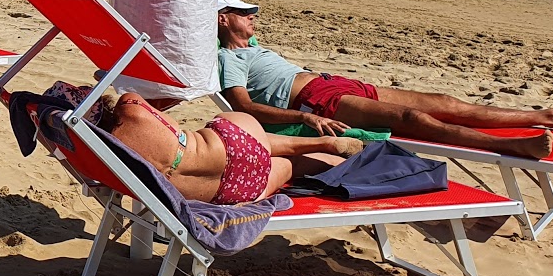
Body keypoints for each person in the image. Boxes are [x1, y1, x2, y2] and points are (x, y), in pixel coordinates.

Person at [215, 0, 553, 160]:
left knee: (446, 103)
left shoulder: (251, 44)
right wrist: (304, 117)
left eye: (252, 11)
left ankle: (552, 116)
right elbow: (243, 106)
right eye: (242, 12)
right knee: (413, 121)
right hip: (315, 101)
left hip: (335, 83)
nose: (253, 15)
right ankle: (512, 147)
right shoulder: (229, 57)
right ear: (222, 18)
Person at [100, 93, 361, 205]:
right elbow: (164, 102)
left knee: (290, 167)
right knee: (245, 139)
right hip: (233, 145)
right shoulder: (129, 106)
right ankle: (324, 143)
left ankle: (336, 164)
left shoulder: (102, 161)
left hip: (232, 191)